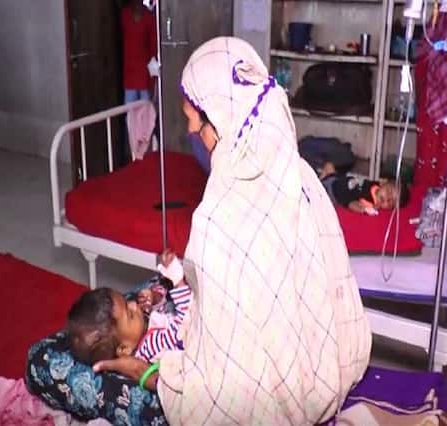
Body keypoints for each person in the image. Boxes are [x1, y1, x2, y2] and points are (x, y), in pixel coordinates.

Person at [94, 37, 371, 425]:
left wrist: (149, 373)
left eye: (194, 120)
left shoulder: (219, 219)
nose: (191, 131)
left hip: (278, 391)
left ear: (221, 118)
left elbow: (222, 376)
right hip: (331, 361)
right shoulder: (301, 173)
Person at [67, 250, 191, 365]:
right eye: (130, 315)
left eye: (127, 302)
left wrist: (155, 297)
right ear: (124, 349)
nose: (134, 305)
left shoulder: (138, 331)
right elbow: (184, 328)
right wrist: (178, 283)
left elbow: (163, 311)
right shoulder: (151, 348)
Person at [319, 161, 410, 215]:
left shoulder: (370, 203)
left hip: (333, 193)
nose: (386, 198)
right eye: (388, 191)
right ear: (383, 183)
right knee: (329, 165)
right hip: (337, 179)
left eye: (390, 202)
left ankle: (319, 181)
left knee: (319, 190)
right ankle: (322, 178)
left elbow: (352, 205)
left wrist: (363, 210)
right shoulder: (376, 184)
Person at [120, 0, 156, 104]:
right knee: (129, 108)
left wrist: (153, 77)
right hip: (130, 72)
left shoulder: (149, 17)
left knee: (145, 108)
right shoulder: (125, 15)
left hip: (145, 73)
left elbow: (153, 48)